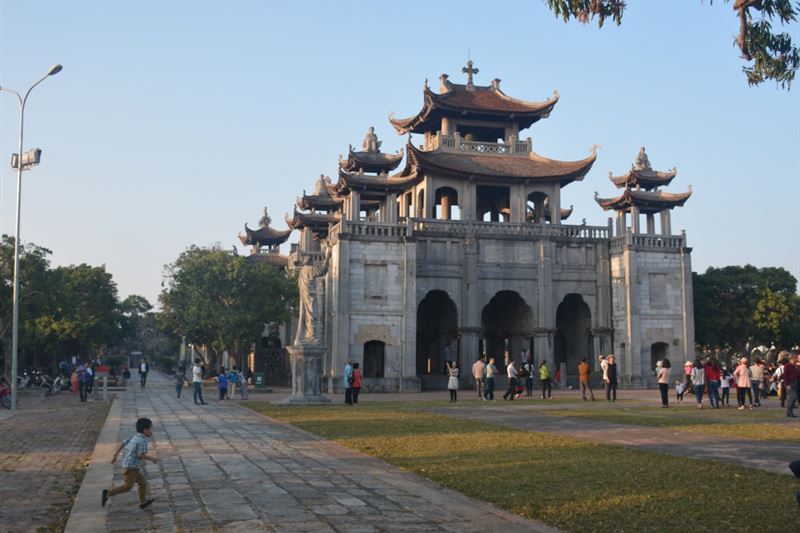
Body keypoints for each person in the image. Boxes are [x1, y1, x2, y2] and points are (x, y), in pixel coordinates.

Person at [102, 417, 158, 510]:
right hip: (131, 467)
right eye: (151, 428)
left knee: (143, 483)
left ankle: (143, 502)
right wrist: (153, 459)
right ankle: (108, 493)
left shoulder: (135, 436)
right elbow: (140, 455)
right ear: (145, 430)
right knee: (127, 487)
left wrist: (115, 455)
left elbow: (123, 443)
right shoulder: (143, 440)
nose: (152, 431)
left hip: (131, 465)